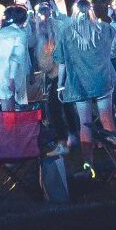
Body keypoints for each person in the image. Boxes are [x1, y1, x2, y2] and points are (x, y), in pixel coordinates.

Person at [53, 0, 116, 177]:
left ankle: (88, 167)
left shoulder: (67, 33)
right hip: (103, 80)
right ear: (91, 10)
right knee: (108, 120)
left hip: (79, 82)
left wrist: (60, 85)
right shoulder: (105, 29)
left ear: (75, 11)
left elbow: (61, 62)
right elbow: (114, 45)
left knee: (85, 123)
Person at [35, 10, 78, 154]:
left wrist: (41, 59)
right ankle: (73, 136)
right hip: (69, 77)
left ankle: (62, 143)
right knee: (68, 108)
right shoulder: (62, 39)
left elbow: (46, 65)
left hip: (58, 79)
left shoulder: (48, 44)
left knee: (54, 110)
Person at [0, 4, 31, 117]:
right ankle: (7, 135)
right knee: (7, 114)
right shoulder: (20, 34)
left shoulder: (1, 31)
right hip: (6, 76)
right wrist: (12, 79)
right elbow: (16, 58)